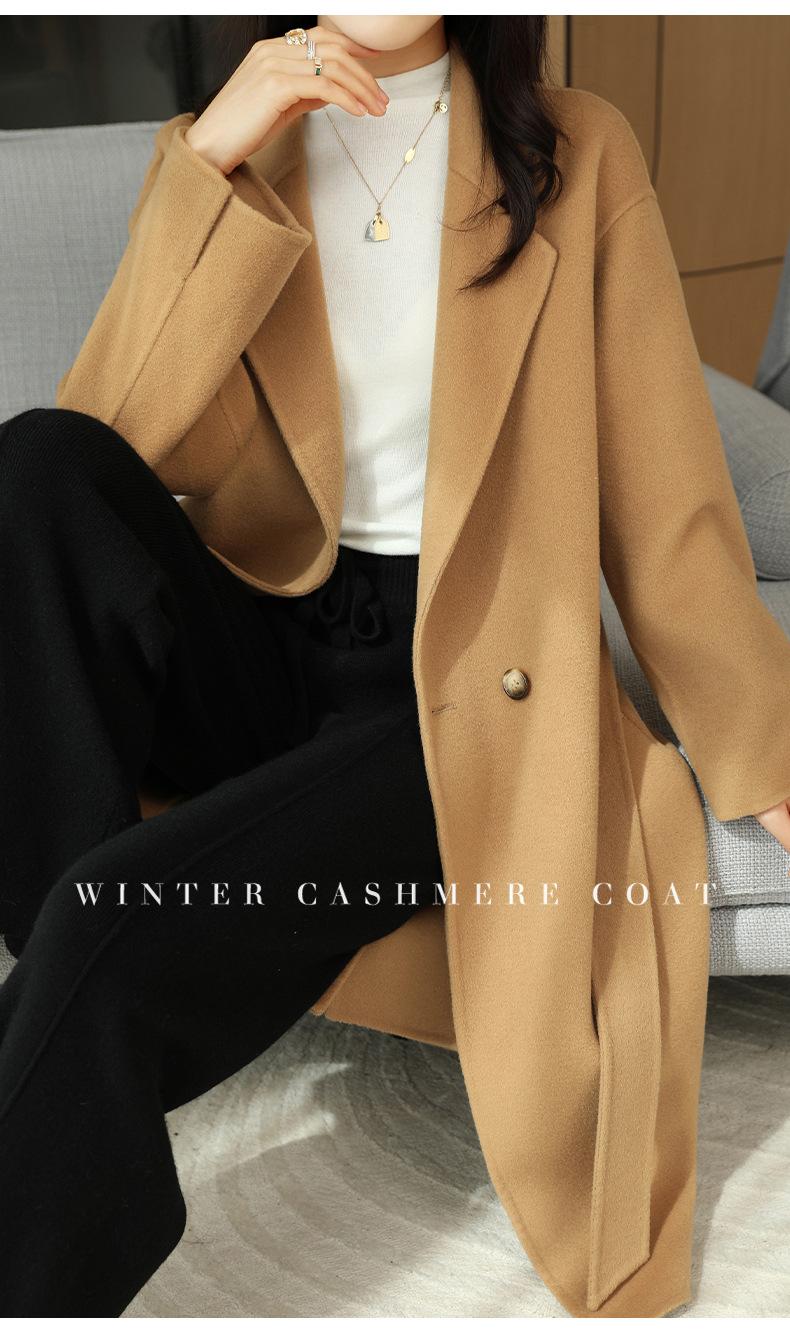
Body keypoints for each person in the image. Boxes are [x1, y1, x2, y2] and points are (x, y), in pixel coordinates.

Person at [1, 13, 790, 1320]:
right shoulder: (234, 140)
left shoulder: (578, 153)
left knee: (107, 922)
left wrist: (763, 747)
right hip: (261, 636)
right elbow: (120, 435)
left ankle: (86, 991)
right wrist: (211, 164)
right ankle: (85, 985)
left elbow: (668, 500)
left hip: (466, 683)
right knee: (35, 460)